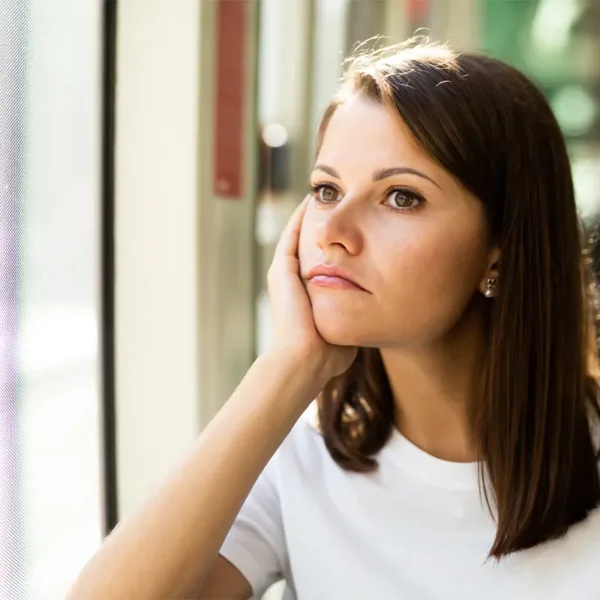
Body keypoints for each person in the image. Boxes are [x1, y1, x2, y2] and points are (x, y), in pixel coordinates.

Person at [66, 39, 600, 600]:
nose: (332, 231)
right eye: (326, 190)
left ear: (501, 249)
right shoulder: (300, 452)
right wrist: (289, 366)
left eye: (400, 197)